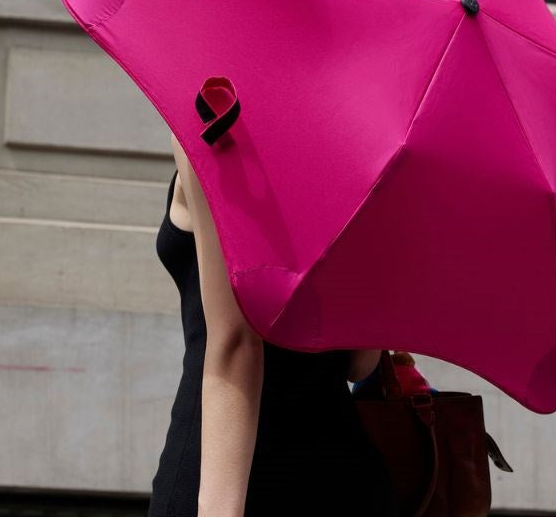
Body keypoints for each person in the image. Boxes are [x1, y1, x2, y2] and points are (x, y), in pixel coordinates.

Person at [147, 131, 399, 517]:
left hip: (224, 472)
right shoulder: (367, 141)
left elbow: (238, 341)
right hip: (342, 474)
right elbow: (358, 364)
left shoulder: (215, 121)